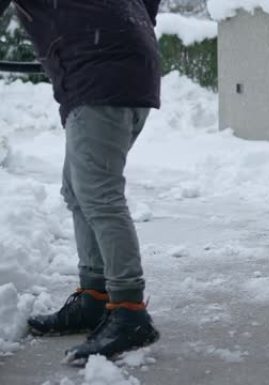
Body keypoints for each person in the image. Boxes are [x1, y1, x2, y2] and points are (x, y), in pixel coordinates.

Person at [9, 0, 162, 362]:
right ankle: (95, 296)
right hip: (120, 62)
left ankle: (129, 310)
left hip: (100, 70)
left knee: (98, 195)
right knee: (80, 191)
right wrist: (129, 25)